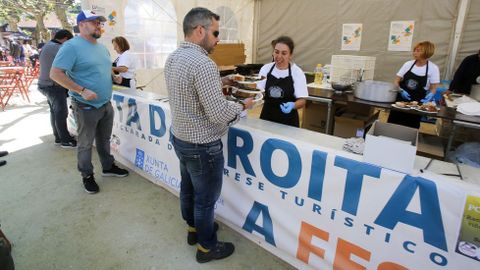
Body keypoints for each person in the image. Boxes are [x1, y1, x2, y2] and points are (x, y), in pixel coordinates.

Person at [164, 7, 254, 263]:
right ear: (200, 30)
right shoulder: (204, 63)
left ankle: (194, 230)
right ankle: (206, 247)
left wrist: (220, 82)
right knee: (205, 200)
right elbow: (217, 113)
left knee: (188, 190)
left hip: (181, 138)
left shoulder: (174, 57)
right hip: (203, 146)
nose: (218, 39)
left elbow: (187, 91)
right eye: (216, 32)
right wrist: (242, 106)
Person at [50, 10, 129, 194]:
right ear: (82, 24)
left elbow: (104, 66)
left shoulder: (101, 47)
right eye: (94, 22)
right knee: (85, 144)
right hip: (86, 106)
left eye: (100, 23)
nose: (99, 26)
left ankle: (108, 167)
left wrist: (113, 77)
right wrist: (82, 90)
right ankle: (87, 175)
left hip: (105, 103)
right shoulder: (71, 47)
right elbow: (55, 74)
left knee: (104, 139)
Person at [257, 36, 308, 127]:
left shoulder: (297, 73)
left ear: (290, 55)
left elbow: (302, 101)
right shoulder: (266, 69)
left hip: (288, 122)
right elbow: (258, 93)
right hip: (267, 119)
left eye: (284, 53)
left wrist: (293, 105)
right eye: (276, 52)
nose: (279, 56)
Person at [38, 29, 77, 148]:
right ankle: (65, 140)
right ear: (65, 38)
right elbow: (74, 62)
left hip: (44, 84)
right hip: (53, 85)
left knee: (54, 112)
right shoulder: (58, 48)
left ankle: (58, 137)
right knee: (61, 113)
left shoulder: (47, 46)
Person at [388, 41, 440, 128]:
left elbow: (434, 87)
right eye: (415, 50)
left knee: (411, 126)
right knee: (393, 123)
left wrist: (431, 94)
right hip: (401, 99)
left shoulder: (433, 68)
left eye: (418, 50)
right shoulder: (408, 64)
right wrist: (400, 90)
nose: (415, 52)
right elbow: (396, 81)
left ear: (427, 52)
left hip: (417, 103)